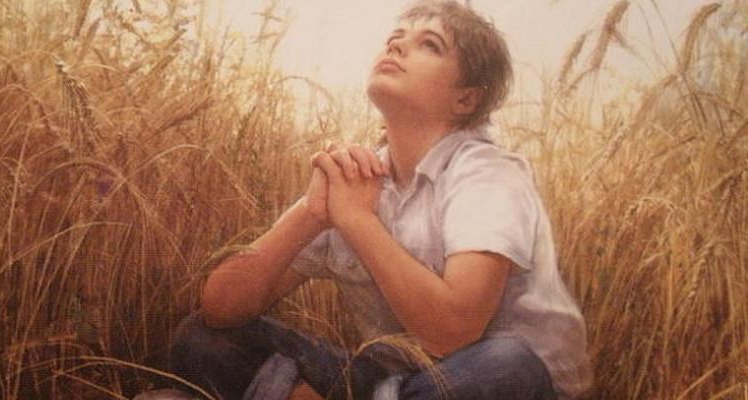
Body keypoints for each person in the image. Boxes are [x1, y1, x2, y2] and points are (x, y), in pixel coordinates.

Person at [165, 1, 592, 399]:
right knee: (202, 337)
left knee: (509, 364)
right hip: (394, 383)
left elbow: (452, 332)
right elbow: (221, 308)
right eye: (395, 38)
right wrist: (312, 214)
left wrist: (357, 221)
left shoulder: (487, 174)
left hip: (499, 383)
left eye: (429, 45)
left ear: (466, 98)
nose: (397, 46)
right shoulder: (359, 178)